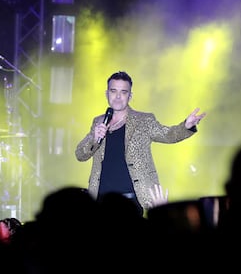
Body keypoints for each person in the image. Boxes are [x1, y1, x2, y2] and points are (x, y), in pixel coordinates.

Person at [75, 70, 206, 214]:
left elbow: (168, 135)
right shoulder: (99, 122)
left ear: (130, 96)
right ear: (107, 94)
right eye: (113, 91)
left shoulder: (144, 120)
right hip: (101, 199)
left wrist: (186, 126)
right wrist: (94, 138)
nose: (118, 96)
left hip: (131, 198)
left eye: (123, 92)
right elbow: (80, 155)